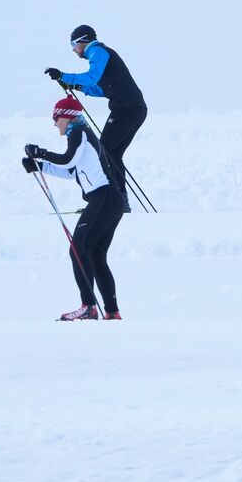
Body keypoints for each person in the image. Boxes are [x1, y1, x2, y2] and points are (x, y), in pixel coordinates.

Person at [23, 96, 124, 321]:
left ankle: (88, 307)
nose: (54, 123)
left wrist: (40, 152)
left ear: (67, 117)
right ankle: (111, 312)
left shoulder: (79, 133)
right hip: (109, 200)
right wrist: (38, 166)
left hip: (103, 197)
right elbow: (70, 171)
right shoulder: (80, 135)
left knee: (77, 250)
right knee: (95, 255)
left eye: (56, 118)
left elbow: (67, 160)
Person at [45, 25, 146, 210]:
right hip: (133, 109)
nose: (73, 50)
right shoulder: (101, 55)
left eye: (73, 45)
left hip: (127, 109)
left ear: (82, 41)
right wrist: (75, 86)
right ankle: (119, 202)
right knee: (112, 154)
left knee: (105, 151)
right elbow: (101, 89)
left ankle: (113, 203)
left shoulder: (98, 51)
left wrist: (64, 75)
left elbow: (91, 77)